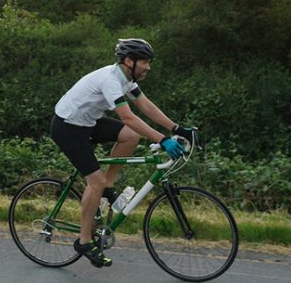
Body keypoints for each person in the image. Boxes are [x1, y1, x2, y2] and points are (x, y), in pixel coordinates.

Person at [50, 38, 195, 267]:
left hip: (88, 122)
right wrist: (162, 139)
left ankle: (107, 187)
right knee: (94, 182)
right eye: (145, 62)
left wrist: (176, 128)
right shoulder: (110, 81)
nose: (148, 67)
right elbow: (128, 117)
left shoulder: (126, 78)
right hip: (68, 126)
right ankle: (84, 241)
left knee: (130, 136)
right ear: (129, 60)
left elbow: (145, 105)